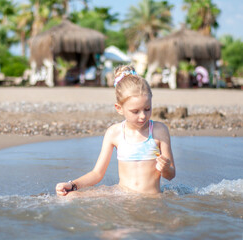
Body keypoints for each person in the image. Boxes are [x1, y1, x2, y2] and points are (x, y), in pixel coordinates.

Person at [56, 64, 175, 196]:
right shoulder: (114, 133)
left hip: (152, 199)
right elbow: (97, 173)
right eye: (135, 111)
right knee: (69, 197)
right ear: (119, 108)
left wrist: (165, 169)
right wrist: (72, 185)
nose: (143, 116)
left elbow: (171, 175)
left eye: (147, 109)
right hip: (123, 198)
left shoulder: (159, 131)